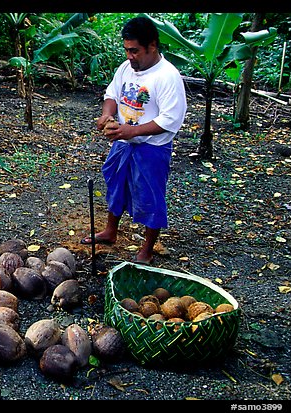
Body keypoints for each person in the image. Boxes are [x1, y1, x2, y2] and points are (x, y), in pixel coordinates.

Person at [80, 16, 187, 265]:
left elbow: (170, 120)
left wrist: (133, 131)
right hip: (123, 142)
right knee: (116, 185)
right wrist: (107, 114)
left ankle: (147, 248)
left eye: (135, 50)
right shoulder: (126, 68)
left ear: (152, 46)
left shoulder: (167, 76)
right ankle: (110, 231)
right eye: (127, 50)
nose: (130, 56)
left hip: (152, 147)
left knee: (150, 195)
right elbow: (112, 95)